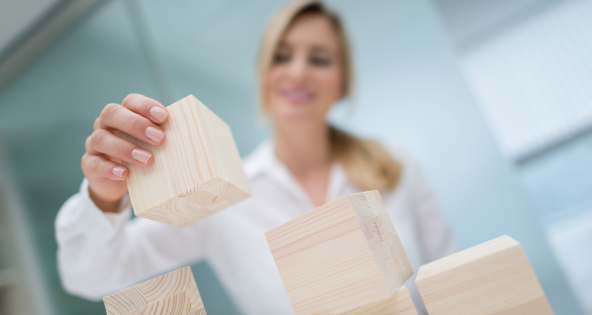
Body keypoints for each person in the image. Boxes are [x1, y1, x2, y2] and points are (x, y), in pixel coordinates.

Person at [55, 1, 457, 314]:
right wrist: (104, 197)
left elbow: (452, 276)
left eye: (319, 59)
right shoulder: (220, 197)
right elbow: (91, 278)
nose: (298, 71)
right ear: (264, 76)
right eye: (282, 57)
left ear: (343, 83)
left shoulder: (395, 164)